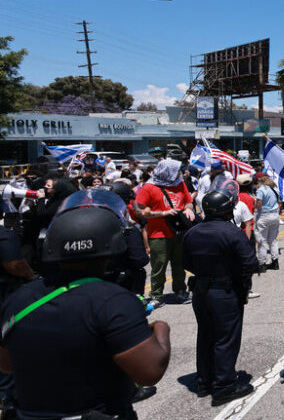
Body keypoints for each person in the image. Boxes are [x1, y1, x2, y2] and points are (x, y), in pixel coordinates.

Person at [0, 190, 171, 418]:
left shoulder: (19, 299)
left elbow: (6, 364)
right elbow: (149, 371)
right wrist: (161, 329)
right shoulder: (115, 300)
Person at [182, 189, 260, 405]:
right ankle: (224, 386)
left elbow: (186, 263)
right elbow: (250, 263)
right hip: (225, 291)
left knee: (205, 336)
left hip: (201, 290)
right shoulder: (232, 232)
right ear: (227, 209)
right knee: (226, 338)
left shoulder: (193, 232)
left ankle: (204, 382)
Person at [135, 159, 195, 307]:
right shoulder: (149, 187)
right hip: (159, 234)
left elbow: (188, 201)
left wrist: (188, 208)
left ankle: (180, 291)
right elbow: (139, 211)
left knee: (180, 264)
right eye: (175, 171)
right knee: (159, 265)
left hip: (179, 231)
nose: (178, 173)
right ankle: (156, 295)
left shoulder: (179, 184)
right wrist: (163, 213)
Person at [0, 223, 34, 408]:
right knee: (8, 340)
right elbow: (15, 264)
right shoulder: (4, 235)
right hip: (5, 295)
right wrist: (31, 276)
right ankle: (7, 398)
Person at [254, 175, 281, 270]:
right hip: (275, 215)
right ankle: (275, 261)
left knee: (262, 241)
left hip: (264, 216)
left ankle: (262, 264)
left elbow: (259, 205)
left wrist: (255, 204)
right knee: (273, 240)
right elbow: (279, 202)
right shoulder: (275, 189)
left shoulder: (261, 189)